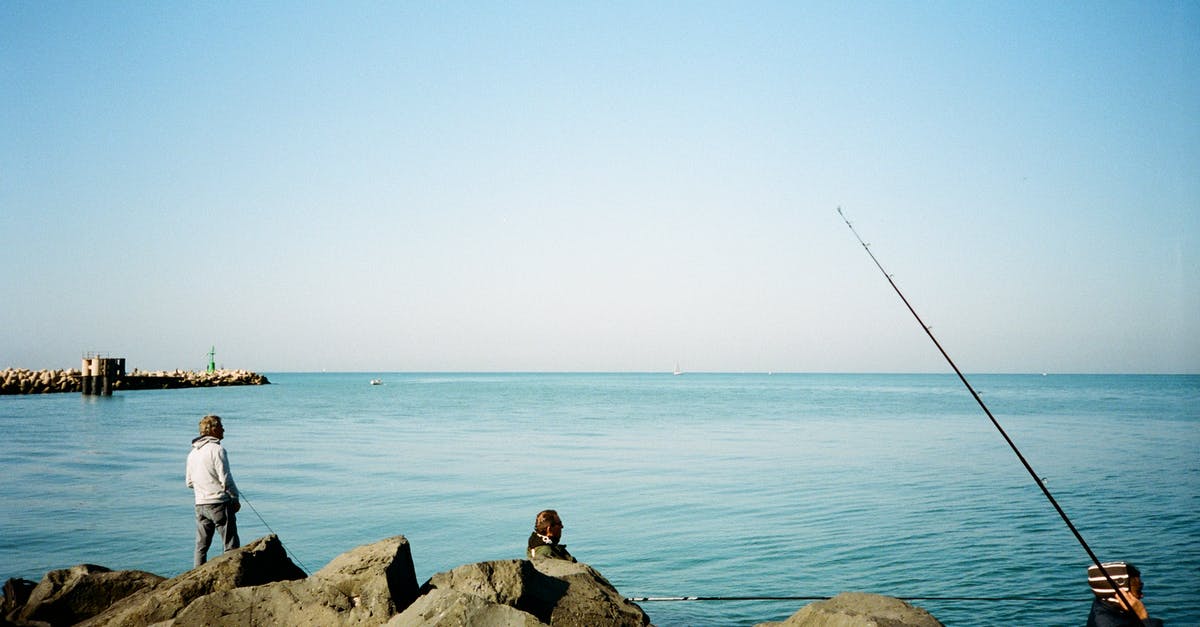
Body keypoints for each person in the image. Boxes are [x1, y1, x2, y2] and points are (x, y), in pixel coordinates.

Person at [186, 414, 241, 567]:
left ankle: (195, 575)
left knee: (201, 546)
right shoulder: (217, 450)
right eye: (221, 426)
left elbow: (189, 482)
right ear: (213, 429)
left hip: (200, 504)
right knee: (231, 544)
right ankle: (234, 578)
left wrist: (204, 486)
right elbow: (226, 479)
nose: (224, 429)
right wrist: (235, 498)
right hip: (219, 503)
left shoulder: (192, 454)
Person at [1086, 561, 1163, 627]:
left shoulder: (1105, 602)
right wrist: (1143, 616)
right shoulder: (1109, 624)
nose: (1142, 595)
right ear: (1120, 594)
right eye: (1138, 590)